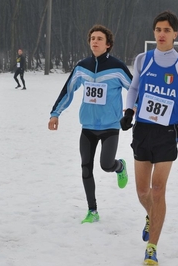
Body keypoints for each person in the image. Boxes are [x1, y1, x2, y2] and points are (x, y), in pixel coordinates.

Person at [120, 11, 178, 265]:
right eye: (158, 29)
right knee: (142, 191)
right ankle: (151, 216)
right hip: (142, 130)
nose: (161, 34)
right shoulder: (143, 60)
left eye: (166, 30)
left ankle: (151, 247)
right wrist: (128, 112)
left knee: (157, 189)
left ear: (175, 34)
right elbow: (134, 88)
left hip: (167, 134)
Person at [48, 24, 132, 224]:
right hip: (87, 127)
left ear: (108, 44)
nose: (95, 41)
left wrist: (133, 109)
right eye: (92, 38)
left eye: (99, 38)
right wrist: (55, 114)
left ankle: (120, 167)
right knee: (86, 168)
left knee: (105, 165)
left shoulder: (118, 67)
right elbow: (68, 90)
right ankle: (92, 210)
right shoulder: (82, 67)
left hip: (110, 127)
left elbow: (134, 89)